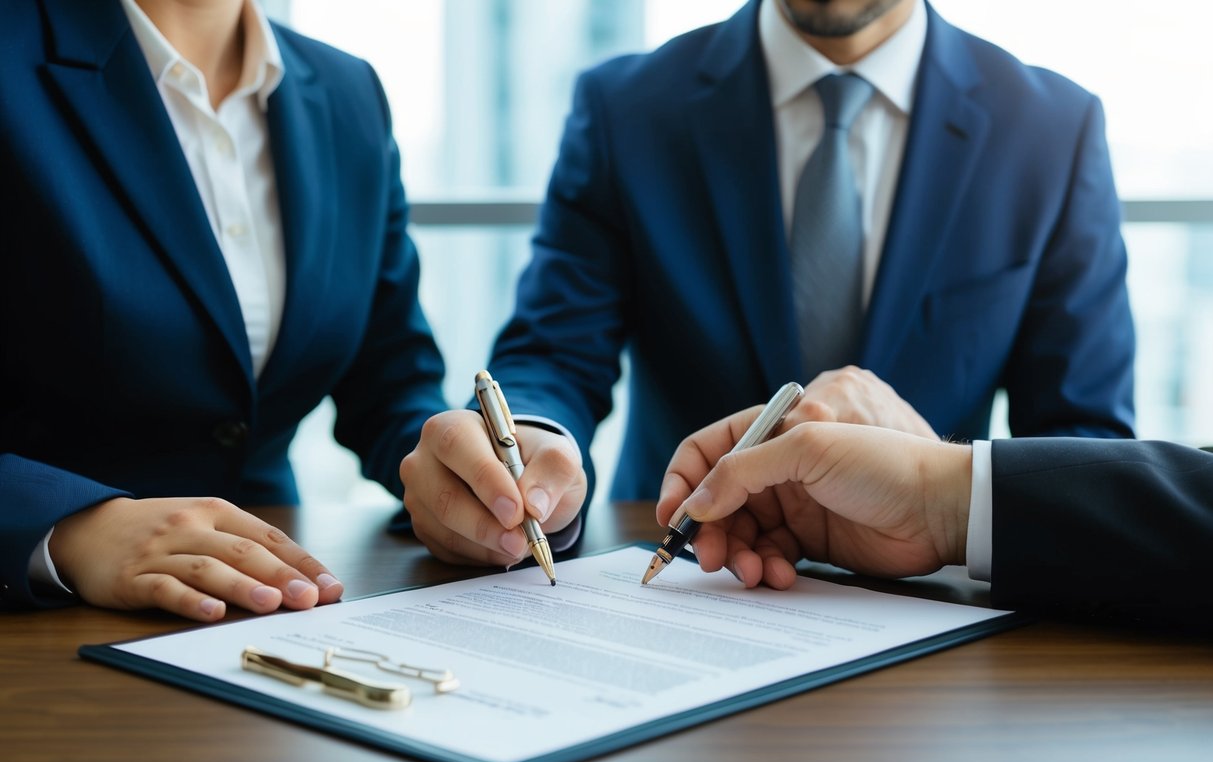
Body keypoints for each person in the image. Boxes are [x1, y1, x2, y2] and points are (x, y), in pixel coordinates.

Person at [401, 0, 1135, 567]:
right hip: (689, 566)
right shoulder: (629, 108)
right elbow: (554, 351)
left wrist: (941, 484)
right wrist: (531, 445)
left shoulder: (1050, 129)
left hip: (929, 596)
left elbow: (1086, 440)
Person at [0, 0, 447, 620]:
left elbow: (392, 380)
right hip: (45, 623)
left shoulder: (348, 92)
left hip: (276, 608)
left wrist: (456, 473)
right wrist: (68, 529)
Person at [657, 409, 1213, 627]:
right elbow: (570, 349)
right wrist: (941, 502)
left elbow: (1085, 429)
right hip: (784, 529)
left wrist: (941, 488)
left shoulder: (1047, 153)